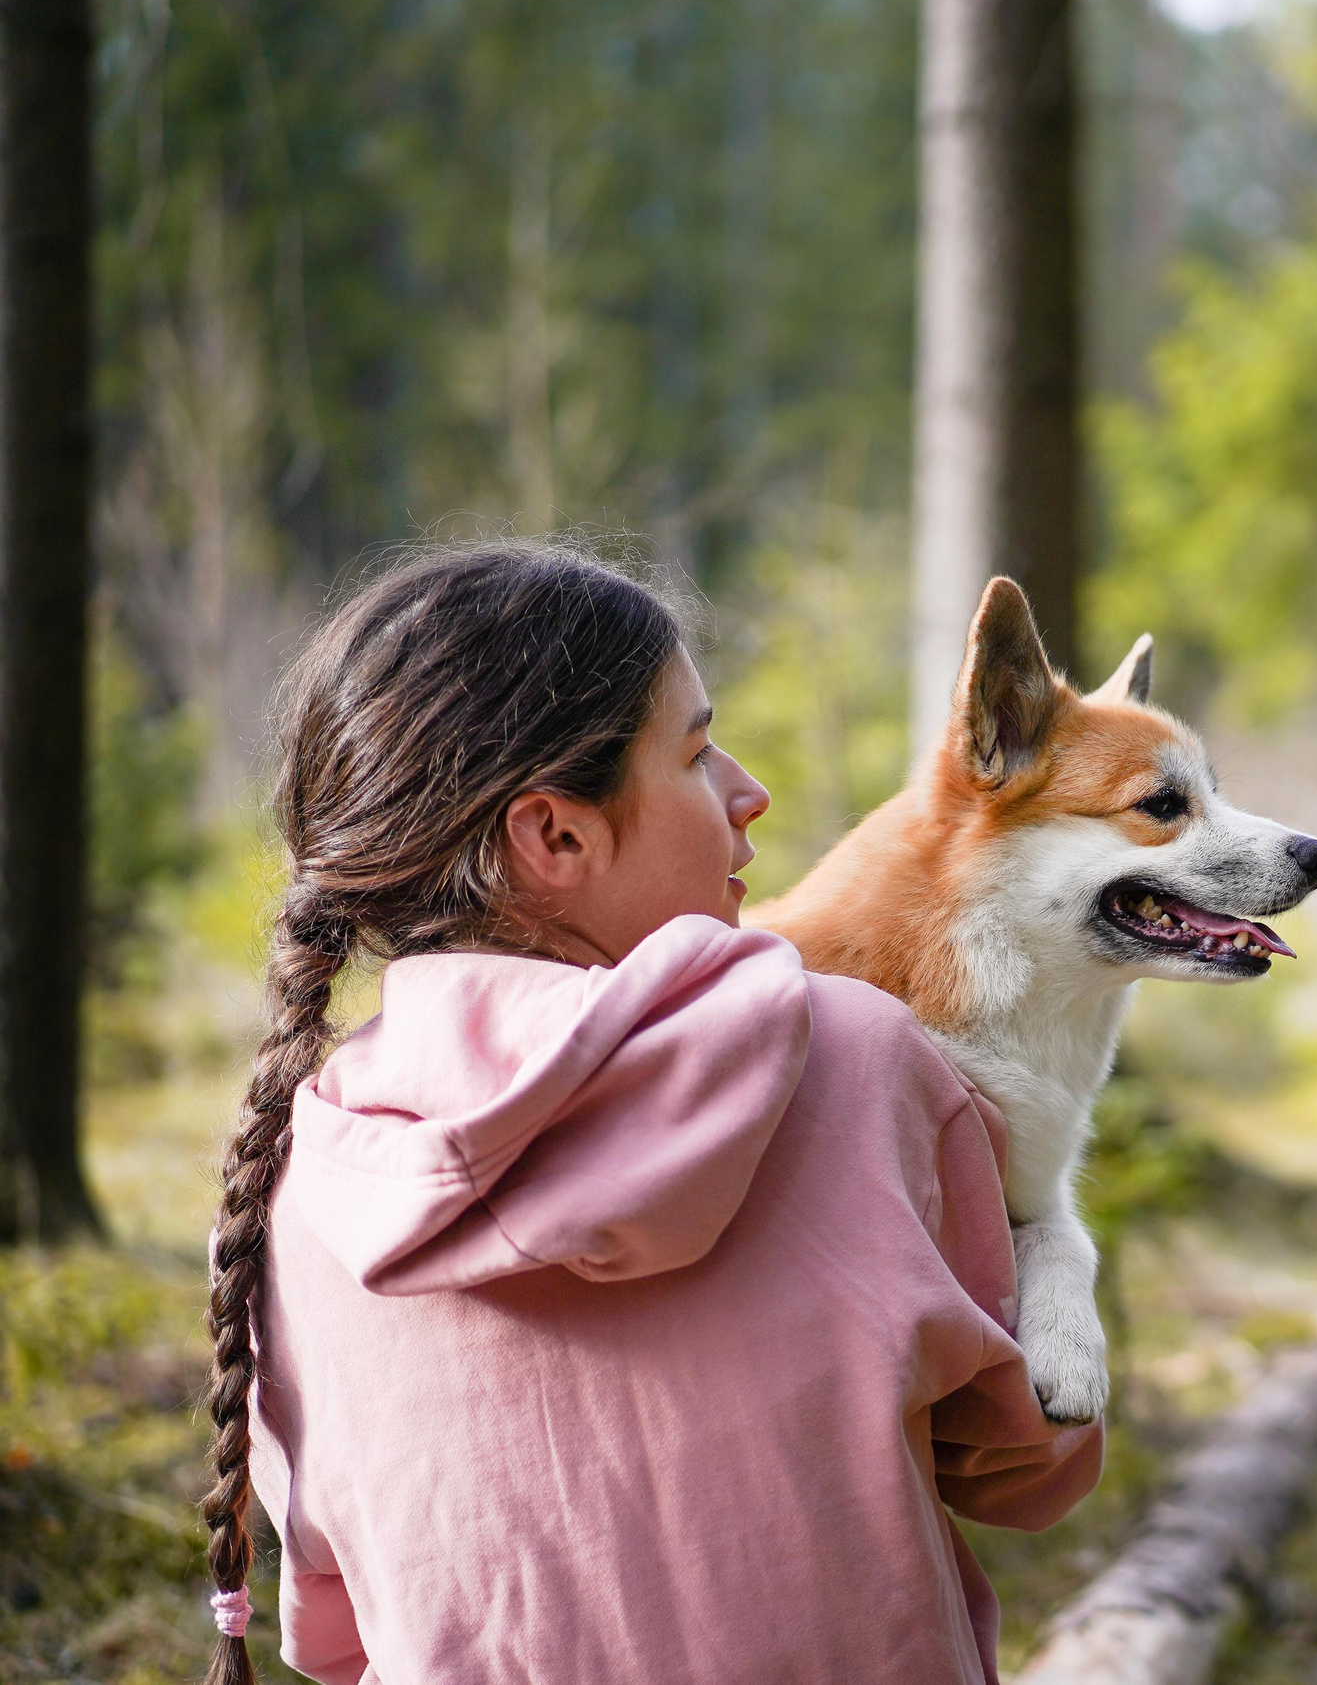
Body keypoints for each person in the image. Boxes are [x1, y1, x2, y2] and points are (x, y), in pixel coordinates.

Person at [198, 545, 1100, 1685]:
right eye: (695, 752)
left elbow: (333, 1631)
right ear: (556, 837)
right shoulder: (862, 1063)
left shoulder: (296, 1175)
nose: (746, 790)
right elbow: (1028, 1464)